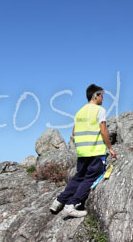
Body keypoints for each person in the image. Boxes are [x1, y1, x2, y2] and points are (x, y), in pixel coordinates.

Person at [50, 84, 117, 218]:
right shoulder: (99, 110)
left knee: (79, 176)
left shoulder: (80, 112)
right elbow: (103, 131)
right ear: (95, 96)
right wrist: (110, 148)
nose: (103, 99)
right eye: (102, 96)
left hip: (82, 152)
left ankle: (59, 201)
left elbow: (74, 132)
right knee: (91, 177)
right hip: (95, 151)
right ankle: (71, 205)